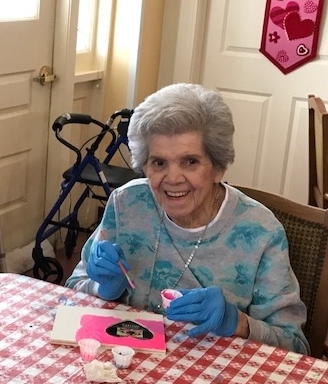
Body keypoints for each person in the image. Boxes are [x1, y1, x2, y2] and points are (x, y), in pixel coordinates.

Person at [66, 83, 309, 355]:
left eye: (190, 161)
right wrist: (105, 288)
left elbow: (295, 347)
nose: (173, 178)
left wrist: (237, 322)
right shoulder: (126, 204)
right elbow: (73, 290)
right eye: (159, 163)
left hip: (214, 374)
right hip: (124, 363)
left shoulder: (261, 231)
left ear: (218, 167)